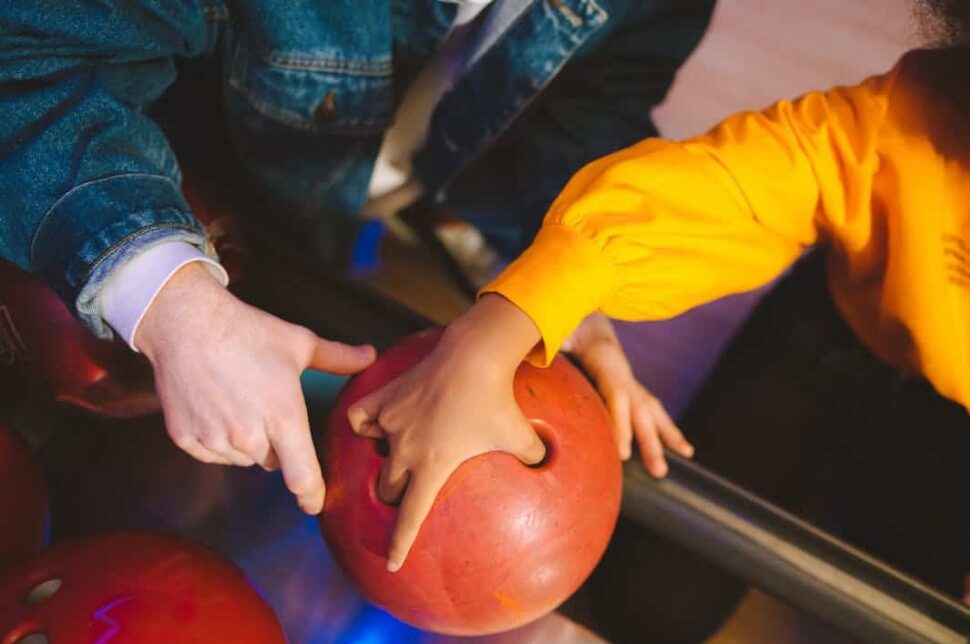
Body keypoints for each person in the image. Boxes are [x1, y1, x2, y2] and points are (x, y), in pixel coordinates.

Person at [348, 0, 970, 644]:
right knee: (647, 606)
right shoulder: (937, 107)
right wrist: (506, 324)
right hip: (836, 333)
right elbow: (734, 184)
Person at [0, 2, 712, 514]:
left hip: (327, 213)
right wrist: (165, 297)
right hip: (141, 190)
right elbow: (24, 53)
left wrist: (563, 271)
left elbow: (588, 114)